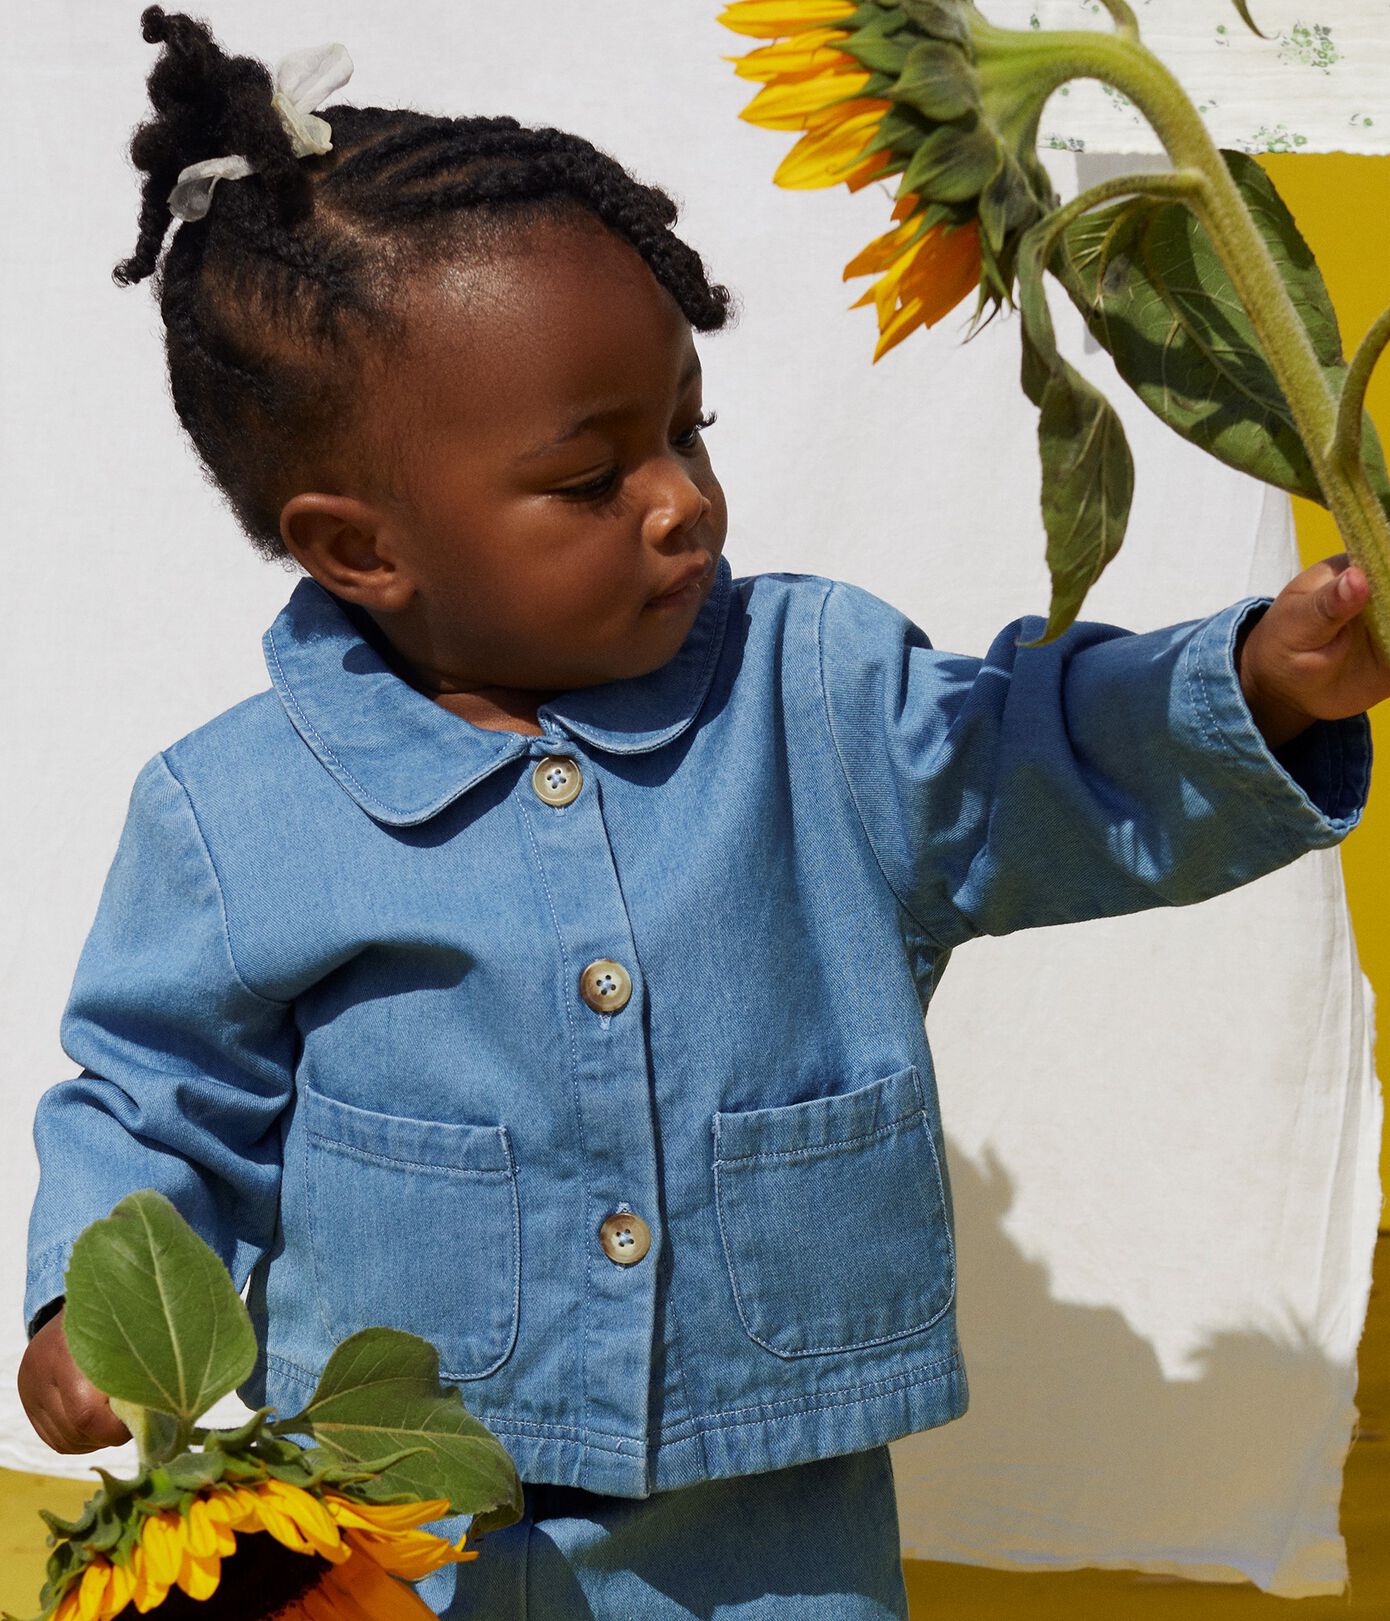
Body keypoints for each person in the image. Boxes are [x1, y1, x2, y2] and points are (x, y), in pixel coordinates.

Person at [16, 8, 1386, 1618]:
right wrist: (85, 1301)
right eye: (592, 477)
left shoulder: (813, 694)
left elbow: (1027, 755)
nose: (677, 496)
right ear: (359, 549)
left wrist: (1258, 681)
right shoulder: (234, 812)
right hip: (398, 1523)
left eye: (688, 427)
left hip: (770, 1517)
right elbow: (160, 1096)